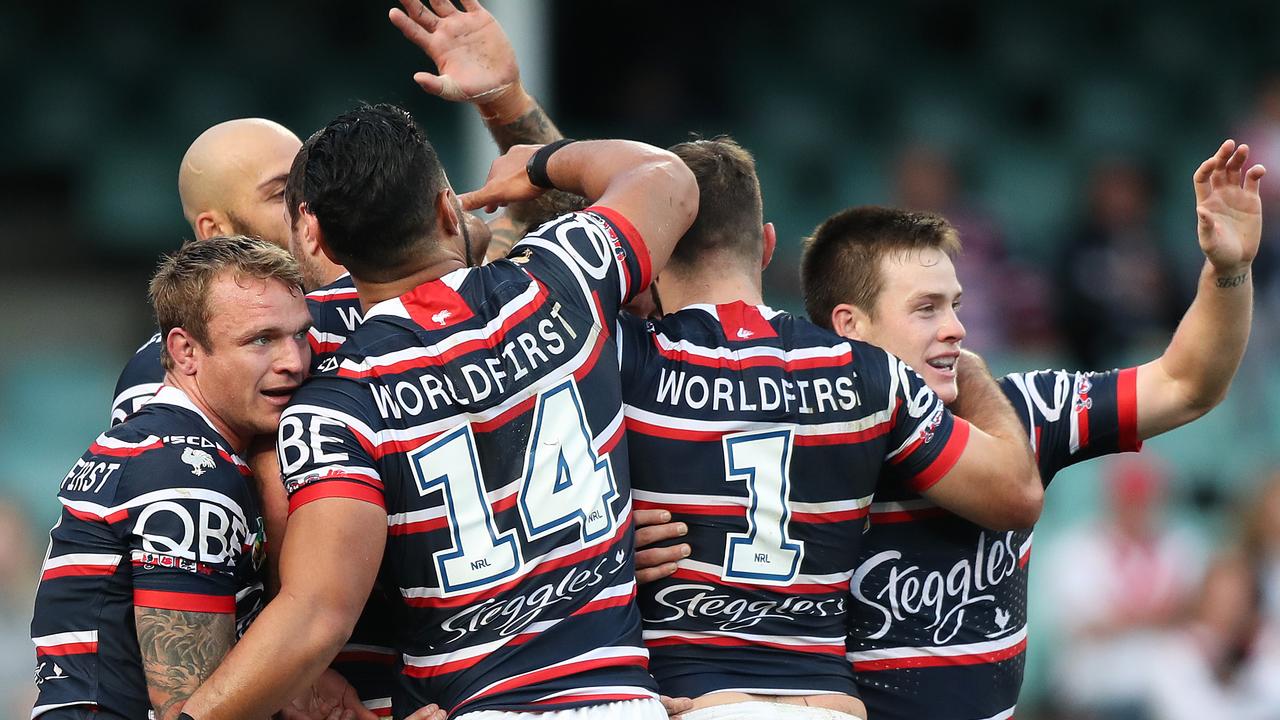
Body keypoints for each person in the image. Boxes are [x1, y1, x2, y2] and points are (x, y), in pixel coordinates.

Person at [176, 103, 697, 719]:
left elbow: (316, 615)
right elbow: (668, 178)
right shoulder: (562, 280)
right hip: (615, 701)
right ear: (450, 209)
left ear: (314, 238)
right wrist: (537, 165)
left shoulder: (333, 405)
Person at [797, 139, 1264, 720]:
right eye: (926, 309)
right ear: (852, 325)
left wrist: (1229, 269)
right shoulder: (789, 440)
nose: (956, 330)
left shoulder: (1024, 407)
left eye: (956, 305)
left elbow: (1187, 384)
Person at [620, 138, 1040, 720]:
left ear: (651, 253)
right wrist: (970, 370)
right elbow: (1017, 495)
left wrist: (606, 546)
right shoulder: (867, 370)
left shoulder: (623, 360)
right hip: (827, 702)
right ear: (767, 246)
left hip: (698, 696)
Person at [30, 236, 311, 719]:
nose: (294, 361)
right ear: (184, 352)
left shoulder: (151, 443)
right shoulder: (189, 475)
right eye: (260, 340)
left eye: (300, 334)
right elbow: (190, 709)